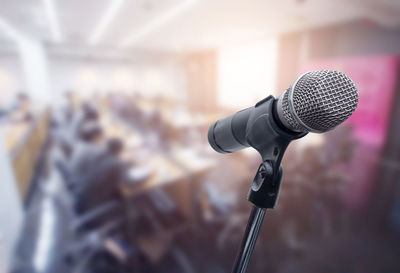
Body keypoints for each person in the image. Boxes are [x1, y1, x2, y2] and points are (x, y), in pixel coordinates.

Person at [73, 137, 128, 228]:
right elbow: (128, 183)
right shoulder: (117, 163)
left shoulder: (96, 153)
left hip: (79, 199)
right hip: (92, 208)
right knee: (124, 202)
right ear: (120, 150)